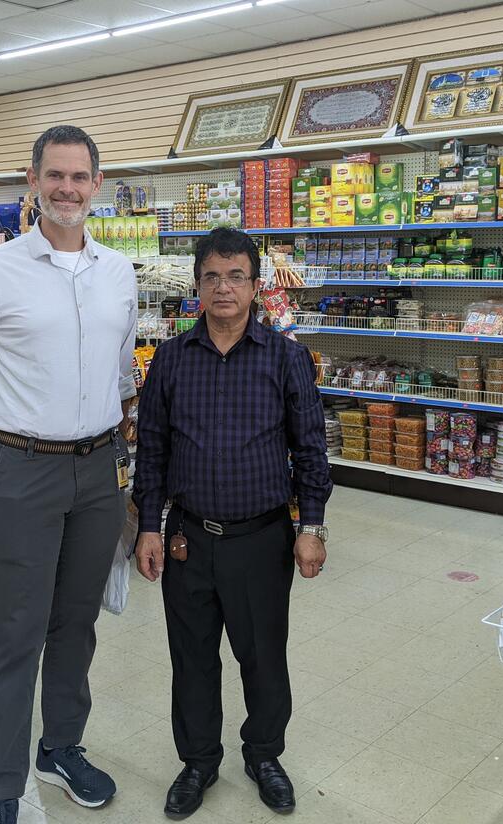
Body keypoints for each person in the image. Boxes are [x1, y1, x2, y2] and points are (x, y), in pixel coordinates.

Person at [0, 125, 137, 824]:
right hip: (21, 468)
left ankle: (60, 748)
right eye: (55, 175)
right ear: (33, 181)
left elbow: (121, 378)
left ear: (98, 187)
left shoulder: (119, 272)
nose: (67, 189)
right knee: (16, 629)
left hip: (99, 470)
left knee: (76, 625)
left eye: (80, 177)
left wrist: (127, 462)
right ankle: (2, 785)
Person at [133, 227, 332, 818]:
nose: (224, 287)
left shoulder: (287, 357)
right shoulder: (170, 360)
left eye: (236, 276)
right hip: (188, 538)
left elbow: (311, 448)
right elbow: (152, 450)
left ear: (254, 284)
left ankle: (264, 753)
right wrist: (149, 524)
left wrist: (311, 526)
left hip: (263, 538)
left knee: (263, 655)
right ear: (197, 285)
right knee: (191, 656)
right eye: (213, 276)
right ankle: (198, 761)